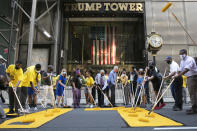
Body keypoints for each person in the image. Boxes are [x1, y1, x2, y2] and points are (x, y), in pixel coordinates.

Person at [173, 49, 197, 114]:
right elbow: (180, 69)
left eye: (182, 54)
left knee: (192, 92)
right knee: (192, 92)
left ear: (185, 53)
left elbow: (186, 69)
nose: (180, 55)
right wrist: (176, 74)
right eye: (180, 54)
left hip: (193, 76)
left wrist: (178, 76)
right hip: (189, 77)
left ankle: (194, 108)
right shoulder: (182, 61)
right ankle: (194, 107)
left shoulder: (190, 59)